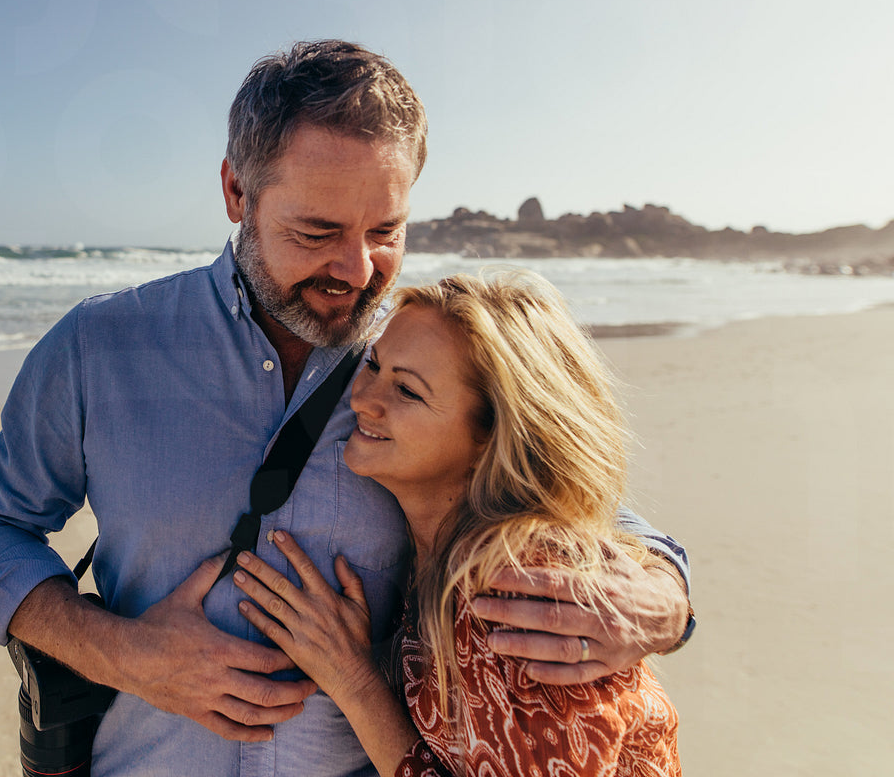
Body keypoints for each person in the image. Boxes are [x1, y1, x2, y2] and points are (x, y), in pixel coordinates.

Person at [0, 40, 691, 777]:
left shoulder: (420, 362)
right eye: (318, 232)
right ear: (237, 192)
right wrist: (125, 654)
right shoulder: (100, 346)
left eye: (385, 232)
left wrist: (664, 601)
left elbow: (566, 501)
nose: (357, 270)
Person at [232, 270, 681, 776]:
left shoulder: (519, 583)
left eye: (407, 391)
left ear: (492, 434)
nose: (362, 400)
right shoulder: (439, 548)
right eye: (373, 365)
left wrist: (354, 681)